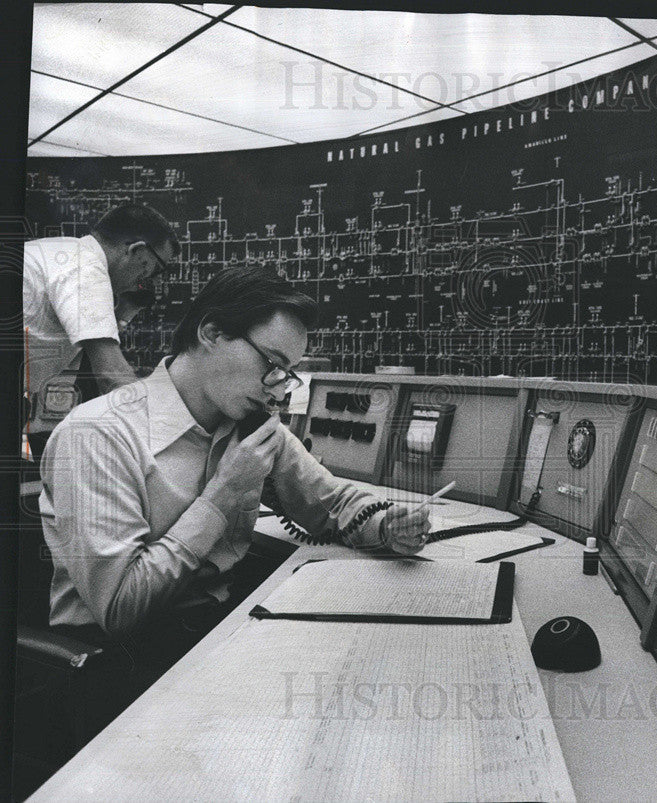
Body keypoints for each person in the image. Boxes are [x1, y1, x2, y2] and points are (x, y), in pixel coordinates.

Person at [38, 265, 430, 652]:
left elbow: (334, 502)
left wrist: (386, 525)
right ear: (211, 333)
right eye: (271, 365)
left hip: (217, 629)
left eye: (288, 374)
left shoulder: (249, 422)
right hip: (123, 660)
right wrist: (224, 492)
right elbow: (121, 610)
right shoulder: (97, 434)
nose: (277, 390)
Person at [22, 203, 179, 456]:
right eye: (155, 269)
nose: (151, 281)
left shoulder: (64, 252)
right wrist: (172, 436)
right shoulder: (87, 268)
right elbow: (111, 375)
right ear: (137, 251)